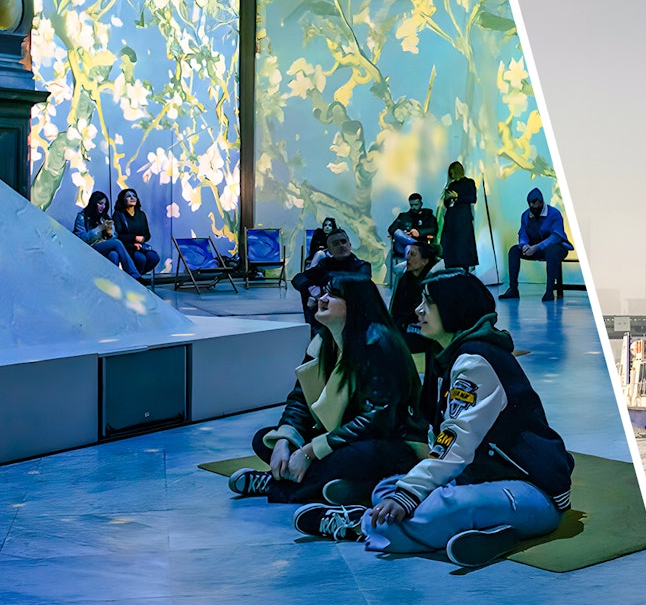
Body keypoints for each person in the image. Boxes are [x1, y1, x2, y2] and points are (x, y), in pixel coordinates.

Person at [293, 270, 573, 567]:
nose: (418, 310)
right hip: (484, 477)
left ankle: (360, 526)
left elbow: (457, 442)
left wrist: (409, 494)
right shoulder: (449, 355)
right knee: (387, 489)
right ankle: (491, 533)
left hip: (534, 492)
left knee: (439, 506)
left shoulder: (475, 362)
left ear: (454, 306)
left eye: (428, 302)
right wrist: (406, 490)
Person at [227, 273, 422, 505]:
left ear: (356, 304)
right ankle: (339, 487)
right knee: (265, 439)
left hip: (387, 443)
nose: (323, 298)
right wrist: (285, 440)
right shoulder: (325, 339)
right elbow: (300, 397)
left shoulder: (379, 343)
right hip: (341, 436)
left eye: (334, 295)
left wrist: (310, 451)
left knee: (352, 457)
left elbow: (378, 420)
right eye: (325, 291)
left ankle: (276, 484)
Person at [499, 187, 574, 302]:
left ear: (541, 202)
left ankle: (549, 291)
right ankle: (513, 289)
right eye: (531, 205)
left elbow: (556, 236)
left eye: (536, 204)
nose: (533, 207)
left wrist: (537, 247)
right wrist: (524, 246)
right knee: (514, 251)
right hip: (534, 248)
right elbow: (523, 234)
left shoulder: (554, 214)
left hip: (556, 248)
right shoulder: (526, 215)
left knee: (551, 251)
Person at [291, 228, 372, 333]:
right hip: (327, 318)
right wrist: (312, 289)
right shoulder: (325, 265)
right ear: (329, 250)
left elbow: (357, 282)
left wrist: (323, 289)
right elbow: (298, 278)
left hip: (353, 319)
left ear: (349, 245)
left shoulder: (362, 266)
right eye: (335, 244)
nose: (341, 246)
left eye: (343, 242)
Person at [389, 241, 445, 357]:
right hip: (404, 328)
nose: (408, 258)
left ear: (425, 261)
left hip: (426, 332)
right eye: (408, 253)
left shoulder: (433, 283)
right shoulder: (403, 278)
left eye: (413, 255)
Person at [73, 192, 143, 279]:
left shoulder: (104, 217)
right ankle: (134, 275)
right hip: (88, 248)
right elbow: (81, 239)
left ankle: (113, 281)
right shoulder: (82, 217)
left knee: (114, 255)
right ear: (94, 203)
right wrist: (99, 229)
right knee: (117, 243)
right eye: (100, 203)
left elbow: (114, 236)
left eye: (105, 204)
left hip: (103, 247)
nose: (103, 206)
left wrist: (109, 234)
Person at [112, 188, 161, 276]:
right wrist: (134, 239)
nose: (132, 198)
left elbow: (147, 234)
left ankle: (139, 275)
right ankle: (137, 278)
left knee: (154, 258)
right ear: (123, 199)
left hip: (141, 247)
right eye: (128, 196)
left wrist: (143, 239)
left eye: (134, 196)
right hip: (126, 246)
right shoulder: (118, 215)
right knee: (141, 259)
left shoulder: (141, 215)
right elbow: (118, 235)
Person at [439, 161, 477, 270]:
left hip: (463, 220)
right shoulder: (452, 185)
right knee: (450, 245)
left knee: (463, 246)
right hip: (451, 219)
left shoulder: (469, 182)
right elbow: (448, 205)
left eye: (452, 173)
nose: (451, 175)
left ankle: (464, 269)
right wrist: (447, 199)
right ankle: (451, 267)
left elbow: (472, 198)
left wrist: (457, 197)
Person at [386, 193, 437, 259]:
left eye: (416, 205)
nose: (413, 207)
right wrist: (405, 234)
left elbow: (433, 229)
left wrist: (419, 232)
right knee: (398, 232)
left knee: (409, 248)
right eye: (411, 205)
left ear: (421, 204)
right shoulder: (403, 216)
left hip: (416, 246)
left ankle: (408, 267)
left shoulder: (428, 216)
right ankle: (416, 243)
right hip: (402, 245)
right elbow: (391, 230)